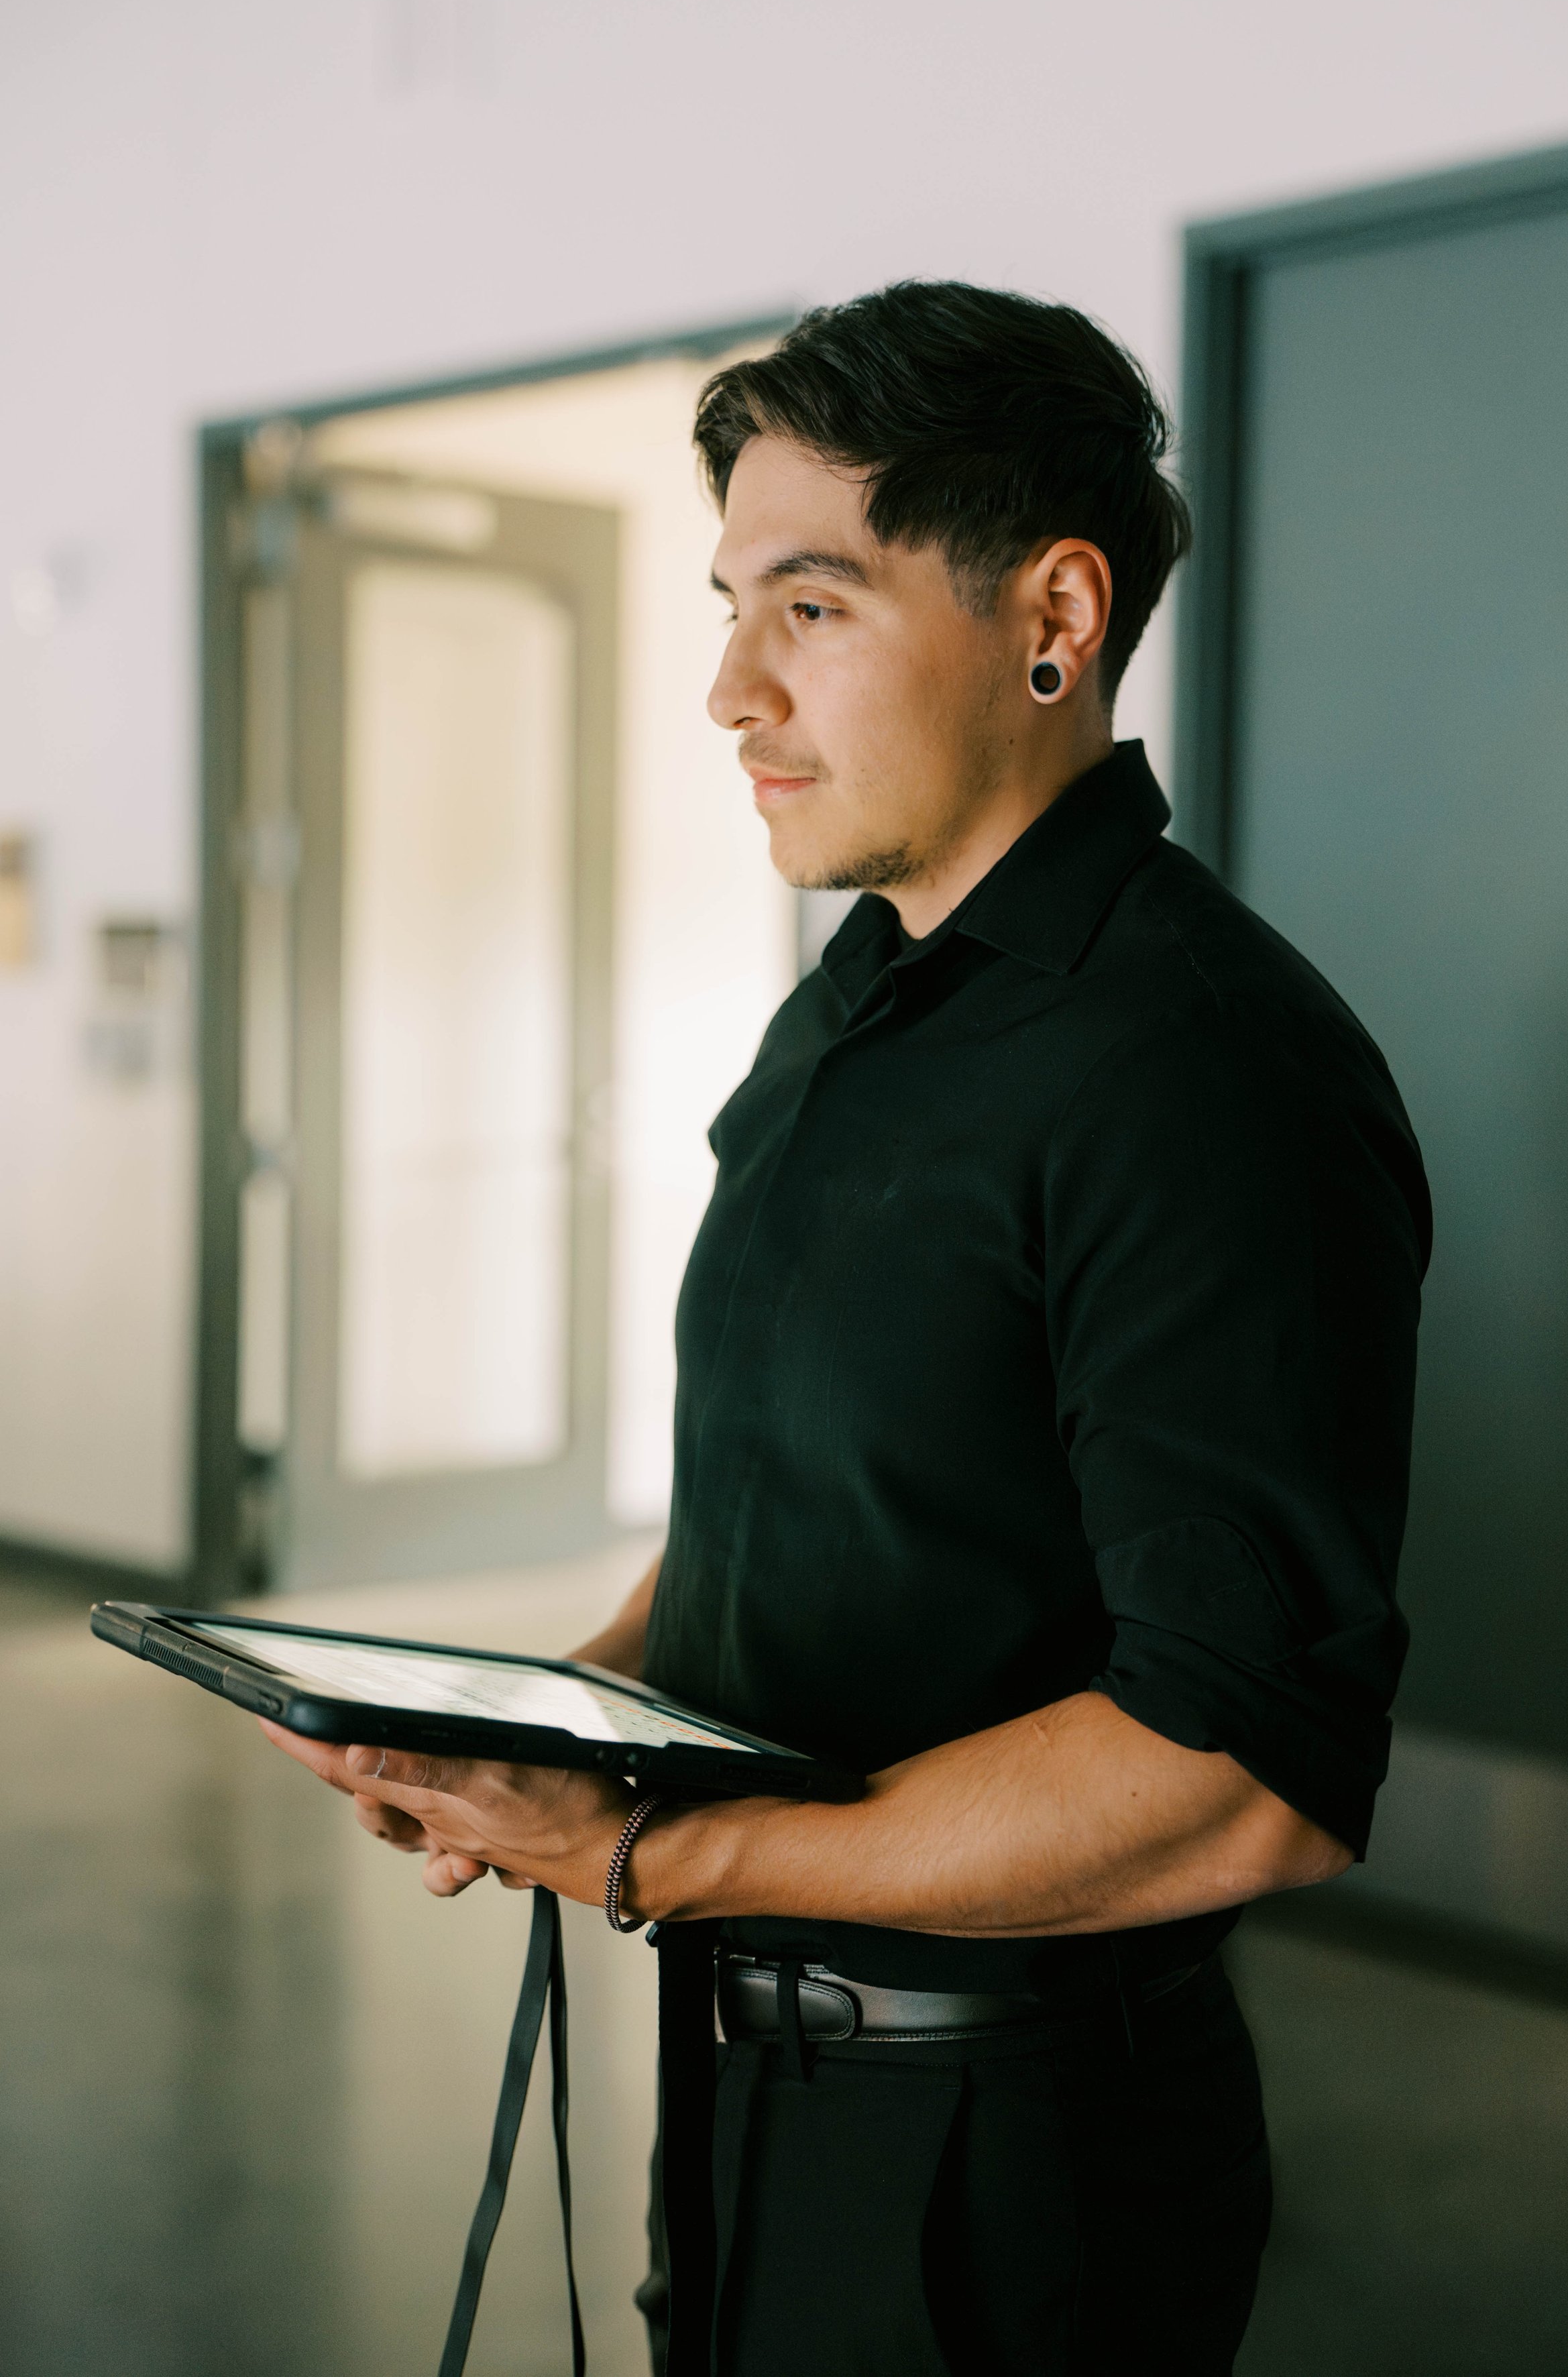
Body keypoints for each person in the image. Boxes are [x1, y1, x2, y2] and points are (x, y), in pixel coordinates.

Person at [264, 281, 1430, 2375]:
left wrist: (647, 1848)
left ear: (1050, 615)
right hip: (751, 2070)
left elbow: (1238, 1766)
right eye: (732, 605)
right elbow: (811, 1489)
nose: (726, 689)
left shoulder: (1199, 1068)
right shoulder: (862, 996)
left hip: (1010, 2145)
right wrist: (553, 1714)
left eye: (808, 606)